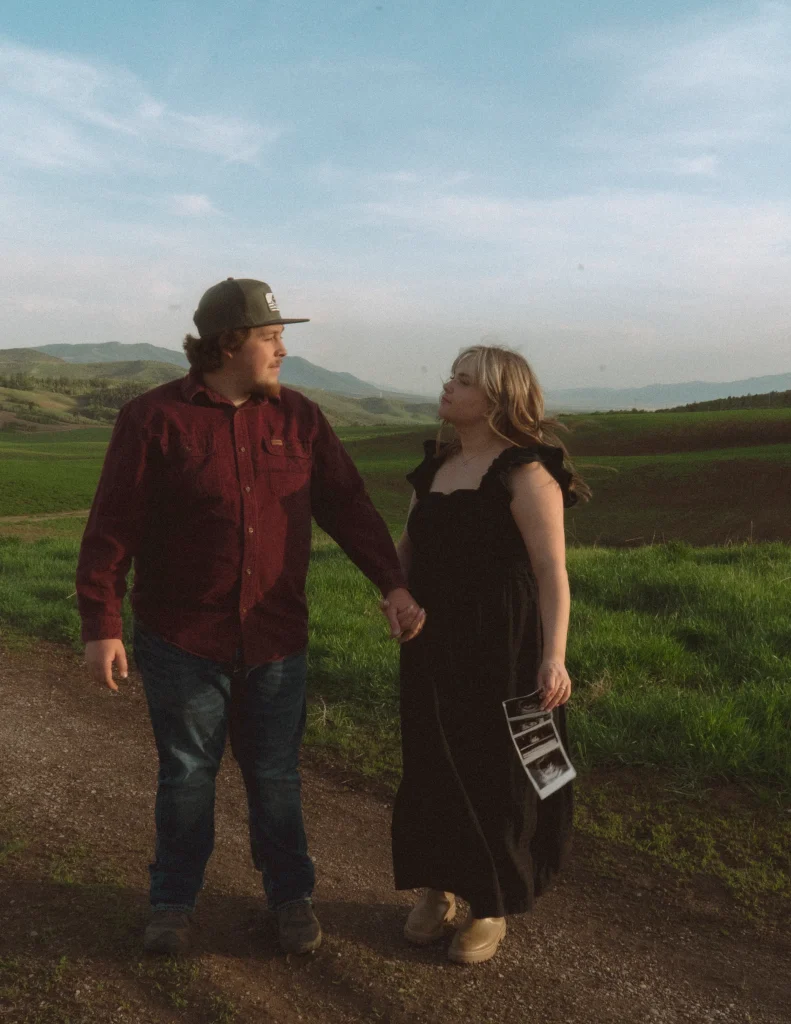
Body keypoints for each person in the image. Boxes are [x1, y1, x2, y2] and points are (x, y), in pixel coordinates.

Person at [76, 277, 424, 957]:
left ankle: (290, 901)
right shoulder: (153, 419)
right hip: (181, 637)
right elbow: (113, 526)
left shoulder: (299, 419)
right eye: (271, 336)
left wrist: (392, 583)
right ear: (229, 342)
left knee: (275, 777)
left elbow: (348, 506)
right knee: (185, 776)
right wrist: (102, 625)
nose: (283, 350)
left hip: (274, 640)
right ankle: (171, 905)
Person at [391, 345, 589, 965]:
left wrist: (553, 657)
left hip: (503, 645)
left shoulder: (526, 472)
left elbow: (551, 570)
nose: (448, 386)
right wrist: (395, 595)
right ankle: (438, 887)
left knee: (497, 773)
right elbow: (409, 544)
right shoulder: (437, 465)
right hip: (430, 642)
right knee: (432, 760)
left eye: (464, 381)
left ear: (497, 399)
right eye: (451, 375)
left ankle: (492, 903)